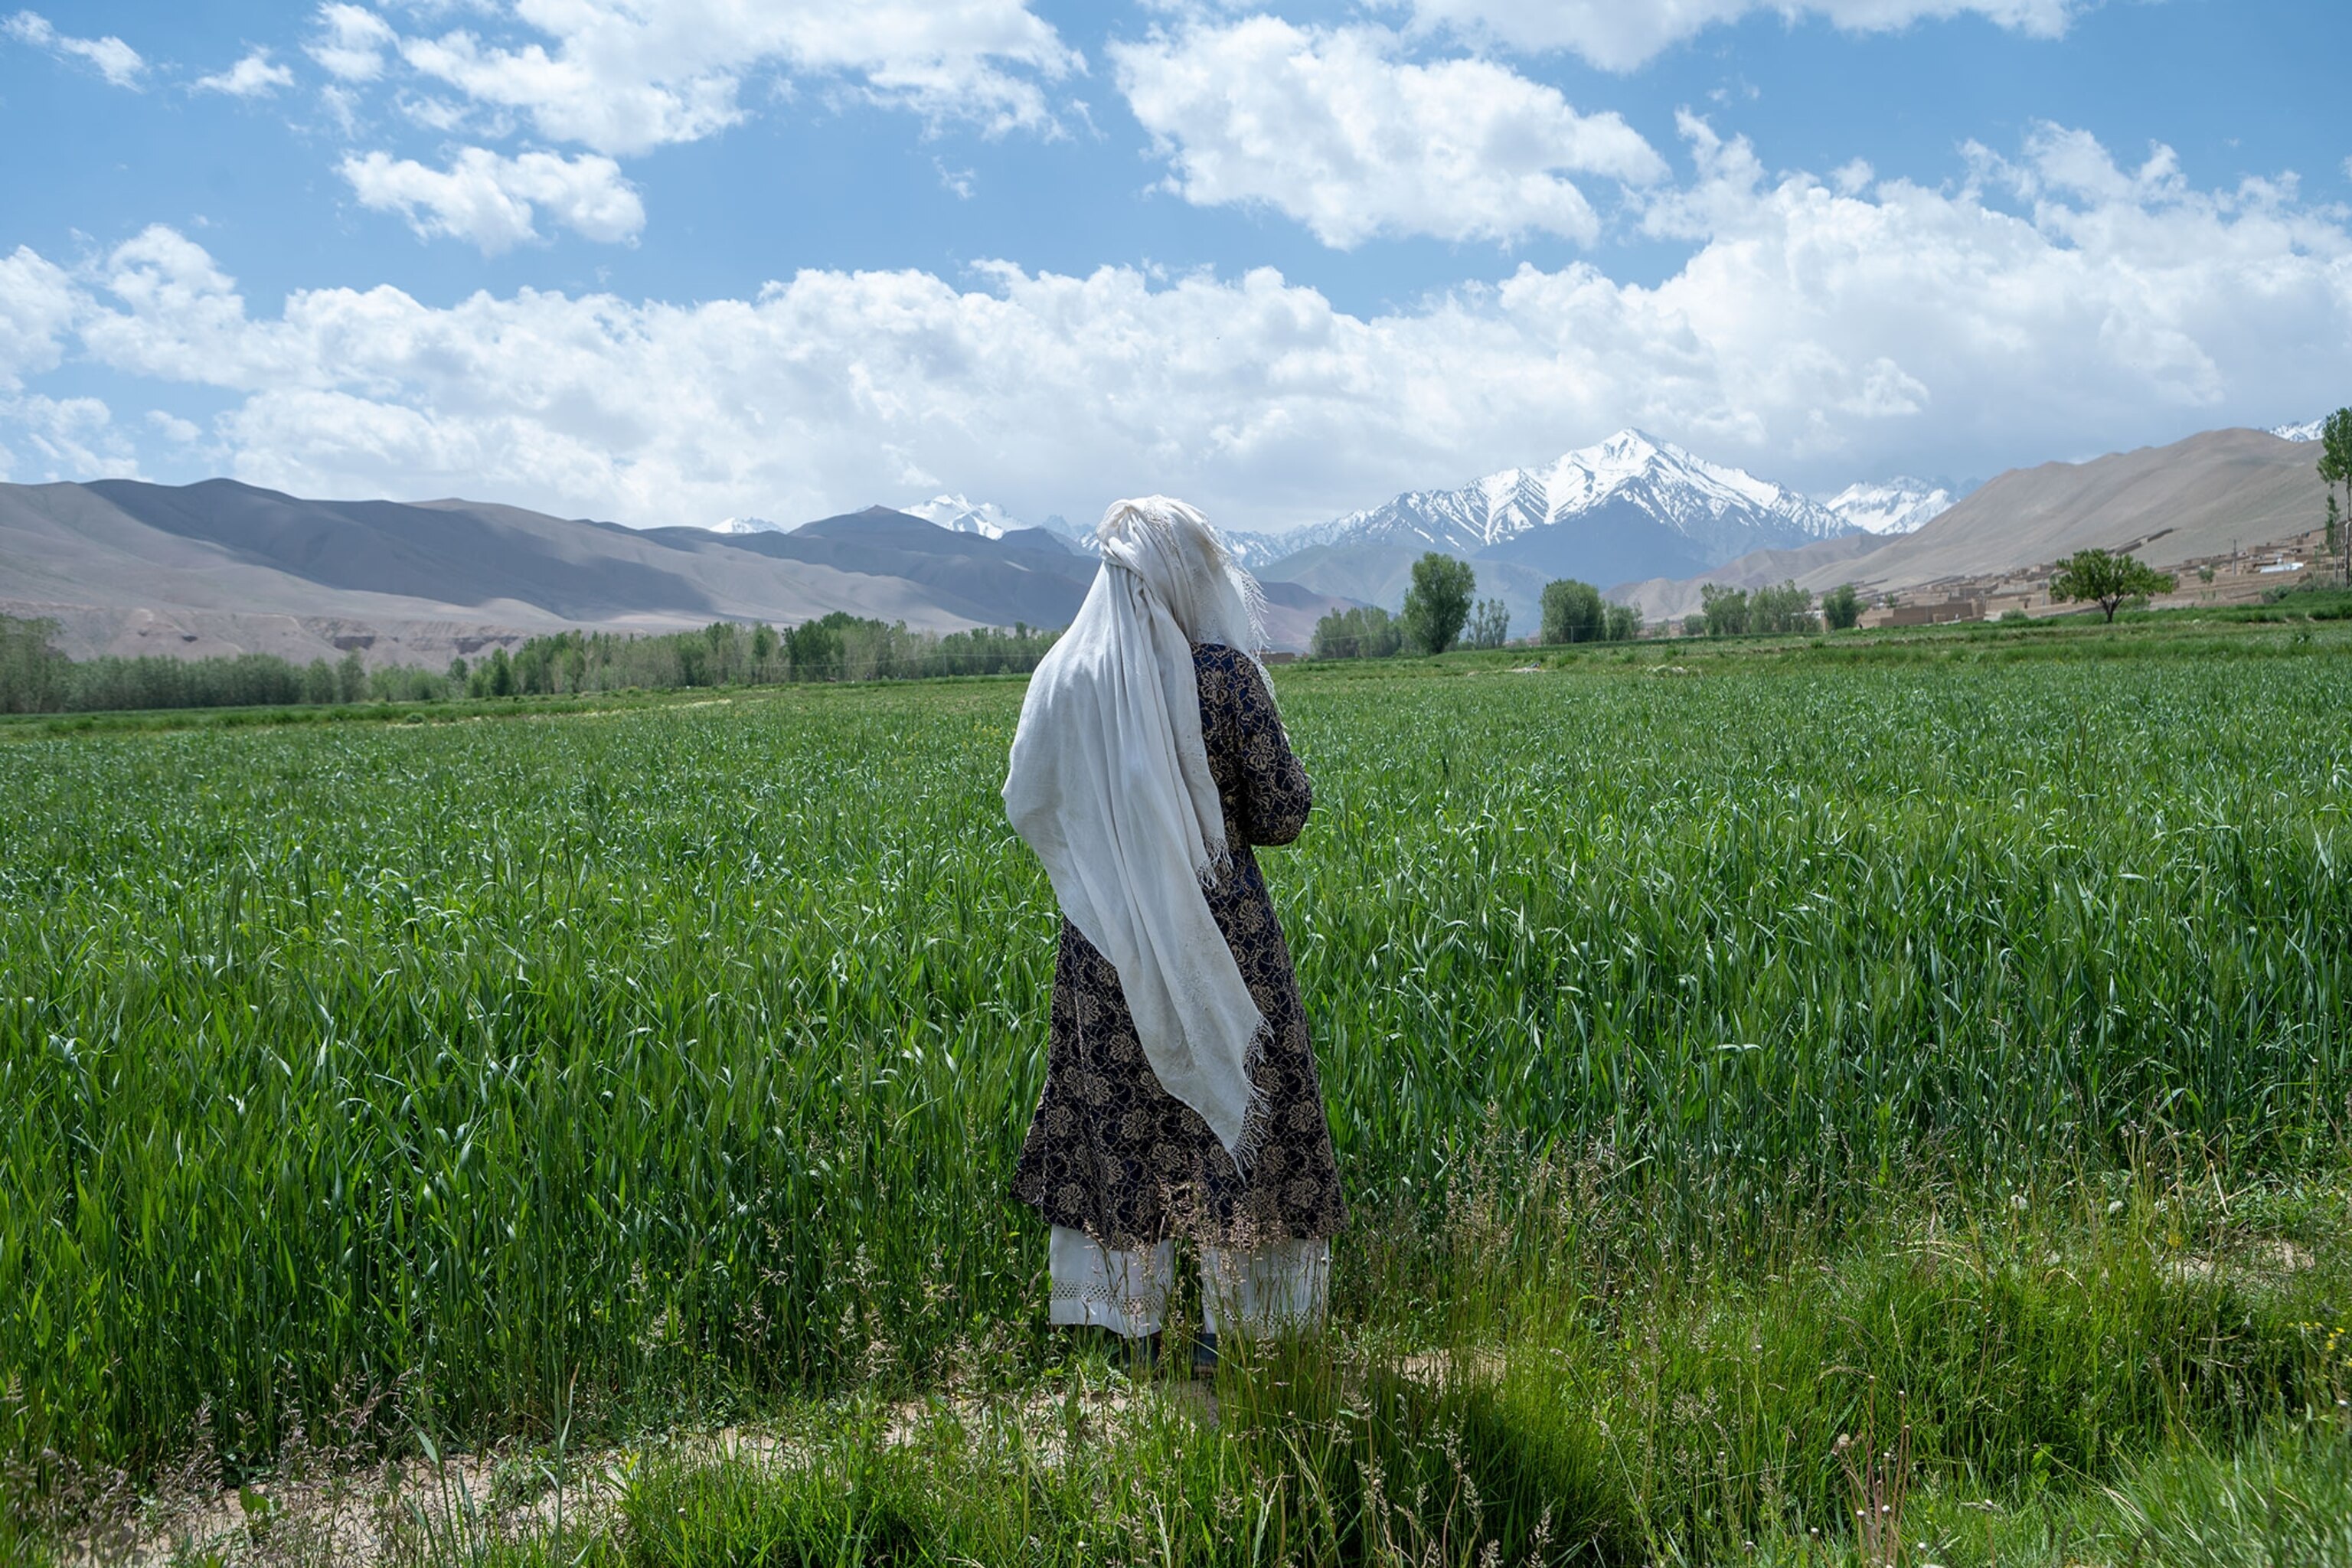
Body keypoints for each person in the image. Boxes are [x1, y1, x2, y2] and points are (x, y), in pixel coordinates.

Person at [1004, 495, 1347, 1373]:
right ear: (1184, 578)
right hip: (1217, 936)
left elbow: (1029, 802)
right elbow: (1284, 809)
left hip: (1105, 941)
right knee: (1247, 1111)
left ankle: (1127, 1327)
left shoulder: (1063, 680)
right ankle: (1245, 1328)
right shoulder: (1223, 678)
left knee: (1120, 1120)